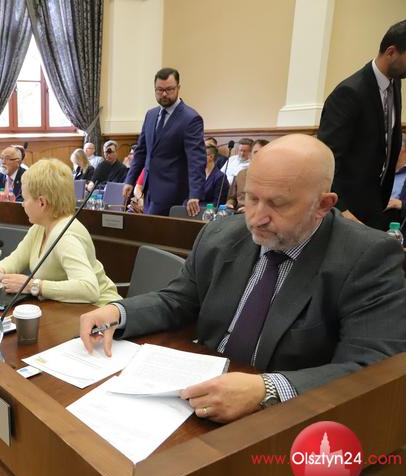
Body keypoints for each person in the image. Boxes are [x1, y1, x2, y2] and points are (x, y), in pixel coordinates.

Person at [79, 134, 406, 423]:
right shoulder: (221, 234)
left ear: (322, 205)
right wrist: (119, 312)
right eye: (251, 198)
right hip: (198, 390)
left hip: (287, 420)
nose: (257, 218)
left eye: (278, 204)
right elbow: (177, 300)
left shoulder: (367, 258)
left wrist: (268, 389)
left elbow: (371, 366)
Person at [0, 159, 121, 306]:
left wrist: (34, 286)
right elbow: (16, 259)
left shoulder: (66, 237)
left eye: (25, 199)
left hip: (101, 311)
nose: (22, 204)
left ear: (42, 203)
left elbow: (89, 289)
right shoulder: (41, 226)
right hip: (69, 309)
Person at [318, 19, 406, 230]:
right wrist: (342, 209)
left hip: (375, 203)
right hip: (346, 209)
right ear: (391, 52)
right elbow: (327, 158)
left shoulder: (395, 83)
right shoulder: (349, 93)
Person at [123, 67, 206, 216]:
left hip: (175, 193)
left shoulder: (190, 118)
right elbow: (141, 151)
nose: (164, 94)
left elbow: (196, 160)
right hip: (149, 191)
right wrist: (130, 180)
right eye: (159, 90)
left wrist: (195, 194)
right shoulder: (151, 115)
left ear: (178, 88)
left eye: (169, 89)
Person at [227, 139, 268, 213]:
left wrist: (251, 209)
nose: (259, 155)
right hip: (238, 212)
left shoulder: (273, 177)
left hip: (259, 213)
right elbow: (232, 198)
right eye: (256, 152)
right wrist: (229, 204)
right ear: (250, 155)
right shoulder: (241, 174)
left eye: (263, 152)